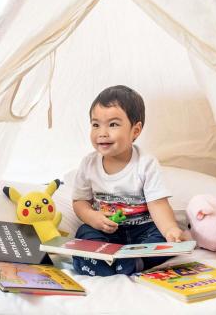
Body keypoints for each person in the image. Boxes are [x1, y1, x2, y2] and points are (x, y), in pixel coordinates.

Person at [72, 85, 185, 276]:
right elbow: (80, 201)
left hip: (143, 230)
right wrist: (93, 218)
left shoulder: (145, 164)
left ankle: (133, 262)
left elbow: (157, 204)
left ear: (135, 130)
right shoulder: (88, 164)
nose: (102, 132)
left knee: (161, 239)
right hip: (107, 232)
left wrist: (170, 229)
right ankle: (103, 263)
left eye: (113, 124)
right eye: (95, 124)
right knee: (84, 234)